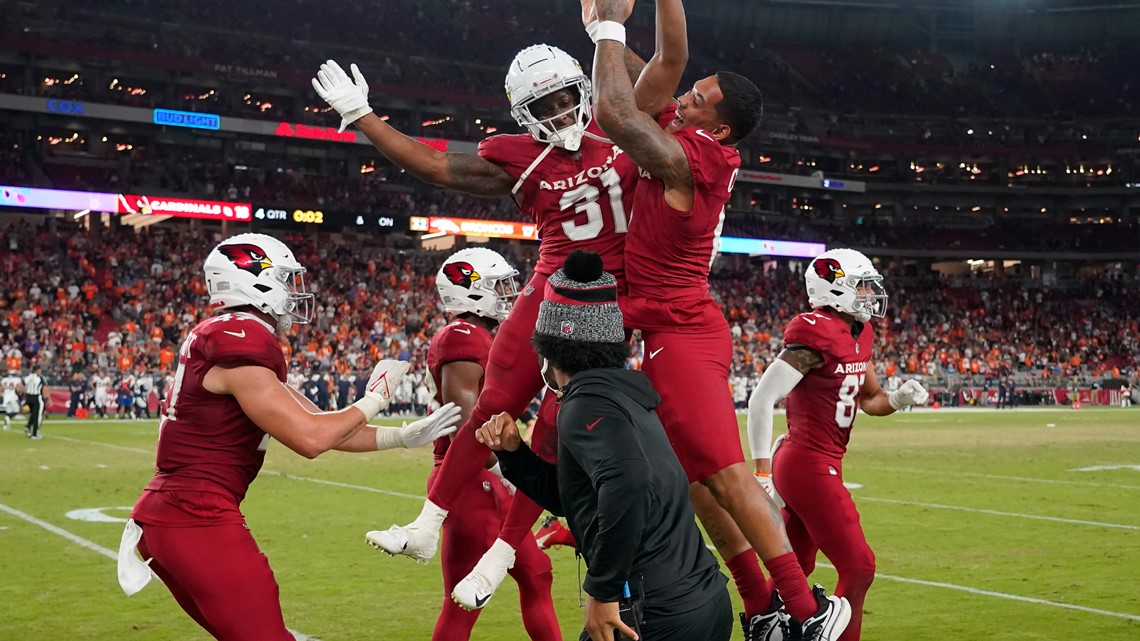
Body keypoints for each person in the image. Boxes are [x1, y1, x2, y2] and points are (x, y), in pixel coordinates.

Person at [315, 7, 688, 608]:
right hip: (551, 285)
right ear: (522, 116)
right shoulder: (521, 157)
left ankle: (504, 552)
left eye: (567, 98)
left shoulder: (619, 120)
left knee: (564, 426)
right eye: (542, 109)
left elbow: (660, 77)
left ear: (585, 88)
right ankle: (425, 525)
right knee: (493, 405)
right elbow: (436, 164)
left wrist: (605, 35)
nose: (560, 115)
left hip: (619, 296)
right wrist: (363, 118)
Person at [586, 2, 849, 639]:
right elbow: (660, 65)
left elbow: (614, 113)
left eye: (698, 100)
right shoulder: (695, 140)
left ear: (721, 130)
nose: (683, 100)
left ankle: (807, 613)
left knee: (727, 476)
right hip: (660, 324)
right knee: (698, 484)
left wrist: (609, 31)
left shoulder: (692, 159)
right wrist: (609, 26)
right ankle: (760, 602)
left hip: (681, 330)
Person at [116, 233, 463, 640]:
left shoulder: (227, 337)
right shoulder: (243, 338)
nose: (293, 292)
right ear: (251, 281)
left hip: (173, 514)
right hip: (195, 515)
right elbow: (310, 439)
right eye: (284, 279)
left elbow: (320, 421)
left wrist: (400, 437)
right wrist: (374, 399)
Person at [476, 250, 733, 641]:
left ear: (552, 344)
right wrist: (515, 455)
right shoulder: (624, 395)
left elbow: (628, 483)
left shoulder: (583, 403)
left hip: (656, 611)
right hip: (701, 598)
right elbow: (576, 498)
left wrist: (603, 590)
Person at [747, 249, 929, 641]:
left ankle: (763, 626)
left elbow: (870, 398)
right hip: (806, 462)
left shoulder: (859, 333)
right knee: (859, 566)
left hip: (820, 461)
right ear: (834, 289)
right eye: (861, 286)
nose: (869, 294)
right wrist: (761, 472)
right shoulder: (816, 332)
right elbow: (761, 399)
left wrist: (898, 399)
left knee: (796, 564)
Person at [424, 248, 561, 641]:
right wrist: (517, 472)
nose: (508, 294)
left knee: (538, 574)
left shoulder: (482, 336)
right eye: (497, 286)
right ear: (470, 290)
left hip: (488, 480)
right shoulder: (462, 336)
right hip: (472, 481)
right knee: (463, 601)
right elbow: (470, 429)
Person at [23, 365, 45, 439]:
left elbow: (24, 382)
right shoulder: (40, 378)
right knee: (36, 416)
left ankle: (28, 427)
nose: (40, 371)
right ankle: (35, 434)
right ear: (37, 370)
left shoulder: (28, 377)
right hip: (35, 397)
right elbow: (43, 385)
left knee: (33, 414)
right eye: (39, 370)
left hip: (28, 397)